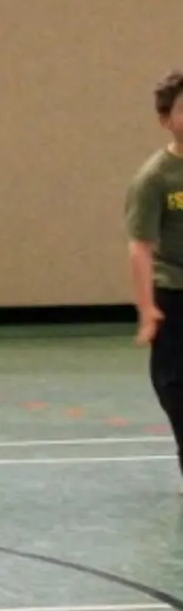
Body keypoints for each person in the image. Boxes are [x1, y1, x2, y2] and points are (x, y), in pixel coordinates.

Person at [127, 69, 183, 493]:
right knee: (174, 387)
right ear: (166, 119)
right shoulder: (154, 178)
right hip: (174, 292)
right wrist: (148, 309)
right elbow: (140, 247)